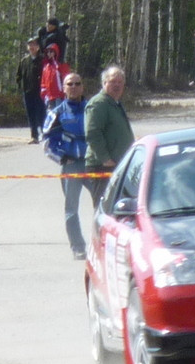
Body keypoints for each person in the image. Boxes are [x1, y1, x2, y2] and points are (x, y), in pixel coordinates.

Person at [43, 70, 94, 259]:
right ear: (63, 89)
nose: (73, 87)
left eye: (77, 84)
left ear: (82, 87)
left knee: (103, 205)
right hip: (71, 166)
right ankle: (78, 247)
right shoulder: (56, 113)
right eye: (69, 84)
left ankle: (100, 244)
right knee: (71, 209)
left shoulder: (92, 109)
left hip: (92, 165)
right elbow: (46, 142)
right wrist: (62, 158)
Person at [88, 64, 135, 179]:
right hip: (102, 166)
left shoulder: (115, 103)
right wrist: (105, 159)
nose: (117, 85)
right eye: (113, 81)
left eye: (120, 82)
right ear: (104, 83)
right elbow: (93, 133)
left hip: (118, 164)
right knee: (105, 197)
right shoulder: (99, 103)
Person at [15, 38, 47, 142]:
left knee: (41, 113)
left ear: (38, 47)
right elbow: (18, 76)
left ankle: (44, 133)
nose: (32, 47)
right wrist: (22, 86)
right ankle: (34, 136)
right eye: (30, 45)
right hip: (28, 92)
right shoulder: (24, 61)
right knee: (31, 114)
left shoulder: (43, 60)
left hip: (40, 92)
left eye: (34, 45)